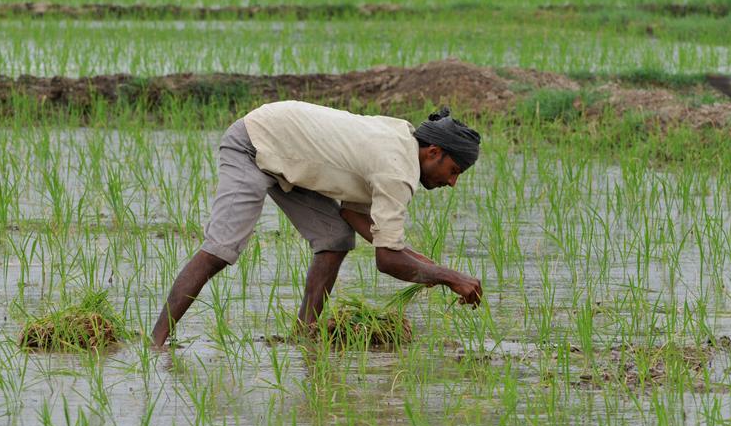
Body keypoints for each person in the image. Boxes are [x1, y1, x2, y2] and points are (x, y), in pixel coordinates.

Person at [151, 101, 483, 347]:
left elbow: (355, 217)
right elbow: (387, 260)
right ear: (434, 152)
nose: (452, 183)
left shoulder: (400, 142)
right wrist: (448, 276)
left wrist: (425, 265)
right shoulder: (398, 169)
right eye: (453, 171)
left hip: (291, 158)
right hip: (254, 145)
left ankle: (303, 336)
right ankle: (156, 343)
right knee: (220, 250)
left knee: (335, 238)